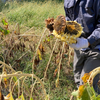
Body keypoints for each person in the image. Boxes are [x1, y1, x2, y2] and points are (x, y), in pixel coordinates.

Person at [64, 0, 100, 93]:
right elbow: (69, 20)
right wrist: (61, 32)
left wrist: (88, 41)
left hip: (96, 48)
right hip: (79, 48)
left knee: (86, 86)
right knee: (78, 82)